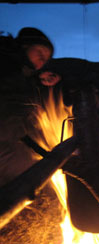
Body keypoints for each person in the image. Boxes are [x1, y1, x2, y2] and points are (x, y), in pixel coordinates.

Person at [0, 27, 54, 187]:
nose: (42, 60)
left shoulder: (17, 68)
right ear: (25, 45)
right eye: (40, 52)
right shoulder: (5, 62)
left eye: (45, 59)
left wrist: (38, 81)